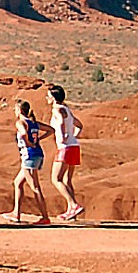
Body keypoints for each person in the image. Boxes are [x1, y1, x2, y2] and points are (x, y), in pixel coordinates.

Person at [47, 84, 84, 221]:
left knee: (56, 179)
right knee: (67, 180)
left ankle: (73, 205)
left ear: (53, 97)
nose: (47, 98)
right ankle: (71, 212)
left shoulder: (56, 109)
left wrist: (63, 136)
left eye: (48, 96)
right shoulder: (67, 109)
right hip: (74, 146)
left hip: (65, 147)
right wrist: (73, 136)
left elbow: (62, 122)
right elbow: (79, 125)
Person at [10, 99, 51, 224]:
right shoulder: (33, 123)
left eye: (15, 109)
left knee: (35, 186)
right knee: (18, 182)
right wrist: (38, 139)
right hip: (37, 154)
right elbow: (51, 130)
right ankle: (16, 213)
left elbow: (23, 134)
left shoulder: (20, 122)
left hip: (29, 156)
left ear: (19, 110)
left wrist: (28, 143)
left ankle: (45, 217)